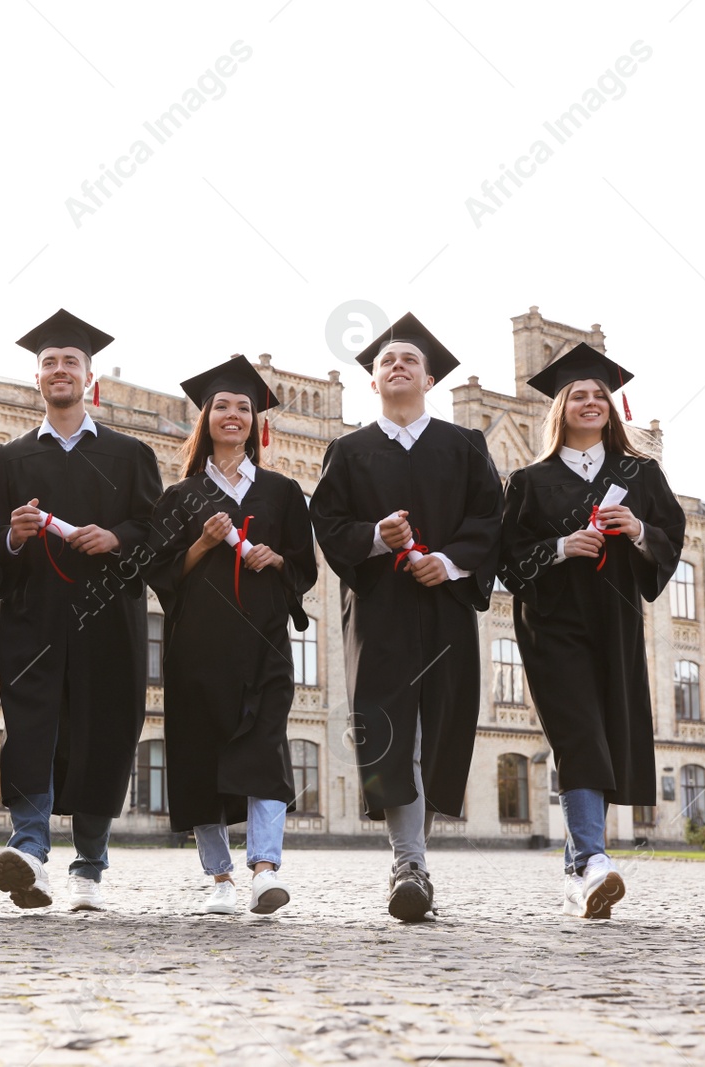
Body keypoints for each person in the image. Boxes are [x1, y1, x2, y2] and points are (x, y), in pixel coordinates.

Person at [309, 313, 503, 923]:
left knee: (436, 730)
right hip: (381, 612)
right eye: (386, 360)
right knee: (394, 734)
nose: (397, 365)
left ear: (429, 378)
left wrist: (447, 562)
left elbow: (492, 522)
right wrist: (374, 537)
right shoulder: (349, 451)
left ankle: (413, 856)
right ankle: (408, 861)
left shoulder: (464, 447)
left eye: (409, 360)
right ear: (372, 382)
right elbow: (329, 525)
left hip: (444, 607)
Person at [0, 308, 162, 911]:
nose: (60, 371)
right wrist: (14, 535)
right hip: (36, 617)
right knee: (31, 730)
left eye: (70, 363)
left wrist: (117, 538)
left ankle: (90, 866)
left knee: (103, 732)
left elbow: (158, 533)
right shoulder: (10, 459)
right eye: (49, 363)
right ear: (37, 379)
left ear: (89, 377)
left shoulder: (131, 456)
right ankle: (29, 851)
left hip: (109, 621)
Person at [496, 343, 684, 919]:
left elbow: (670, 541)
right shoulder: (530, 481)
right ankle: (597, 859)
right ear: (560, 409)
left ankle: (579, 870)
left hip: (615, 619)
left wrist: (639, 530)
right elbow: (507, 559)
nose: (590, 401)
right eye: (578, 394)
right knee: (578, 734)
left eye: (600, 394)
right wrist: (559, 547)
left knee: (607, 733)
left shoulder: (639, 474)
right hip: (553, 624)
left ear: (612, 407)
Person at [145, 355, 317, 916]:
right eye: (222, 406)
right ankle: (219, 877)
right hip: (198, 649)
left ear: (256, 423)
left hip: (264, 644)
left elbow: (305, 569)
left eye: (244, 407)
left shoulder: (283, 492)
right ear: (206, 419)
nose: (233, 414)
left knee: (265, 747)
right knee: (199, 756)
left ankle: (265, 869)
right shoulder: (180, 498)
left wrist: (276, 558)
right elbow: (159, 572)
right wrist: (200, 543)